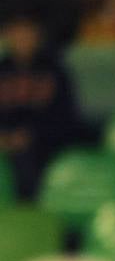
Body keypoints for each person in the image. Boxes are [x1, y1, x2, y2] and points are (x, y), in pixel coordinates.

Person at [0, 10, 79, 199]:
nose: (22, 38)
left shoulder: (55, 70)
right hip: (6, 139)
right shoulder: (2, 69)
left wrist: (31, 136)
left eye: (28, 33)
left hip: (43, 145)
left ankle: (30, 213)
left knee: (27, 160)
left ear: (38, 36)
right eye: (17, 33)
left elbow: (65, 117)